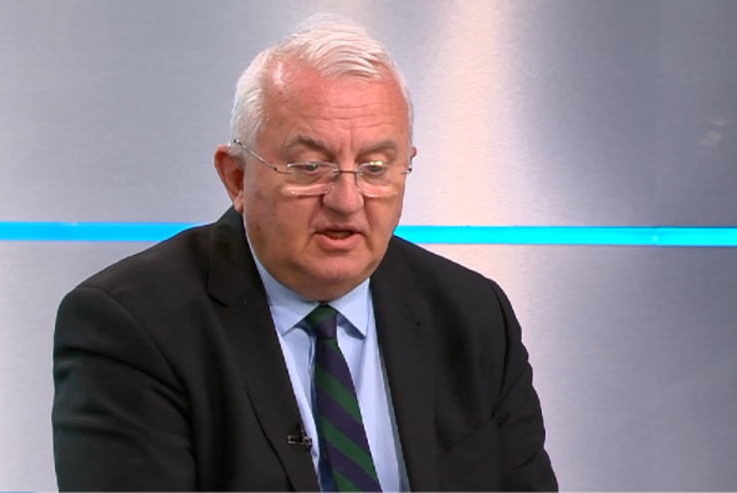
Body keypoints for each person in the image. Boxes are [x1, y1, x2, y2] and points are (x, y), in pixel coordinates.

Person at [52, 14, 557, 492]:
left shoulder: (472, 314)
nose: (346, 200)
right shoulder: (134, 326)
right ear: (237, 177)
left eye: (375, 168)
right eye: (310, 167)